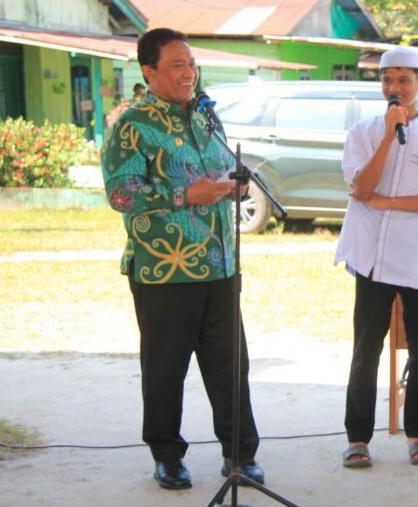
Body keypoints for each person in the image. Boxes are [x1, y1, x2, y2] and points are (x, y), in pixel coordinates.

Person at [100, 28, 263, 491]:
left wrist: (234, 185)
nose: (189, 73)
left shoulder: (208, 118)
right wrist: (184, 193)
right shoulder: (133, 125)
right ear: (149, 72)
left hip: (220, 263)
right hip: (163, 269)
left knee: (231, 365)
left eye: (192, 64)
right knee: (166, 367)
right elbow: (120, 192)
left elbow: (217, 171)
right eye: (177, 65)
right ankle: (167, 456)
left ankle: (240, 454)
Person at [335, 46, 418, 468]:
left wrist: (392, 205)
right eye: (388, 80)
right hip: (371, 255)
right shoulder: (364, 133)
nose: (395, 88)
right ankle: (358, 438)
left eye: (404, 80)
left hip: (417, 256)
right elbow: (363, 190)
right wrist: (390, 136)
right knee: (366, 346)